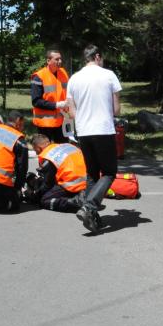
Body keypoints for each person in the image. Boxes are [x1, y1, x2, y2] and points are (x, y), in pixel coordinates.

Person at [66, 45, 122, 233]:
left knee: (92, 174)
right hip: (103, 129)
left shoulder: (74, 78)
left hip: (83, 131)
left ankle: (91, 215)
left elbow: (72, 112)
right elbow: (116, 110)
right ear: (97, 56)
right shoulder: (109, 75)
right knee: (109, 173)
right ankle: (89, 206)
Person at [28, 134, 86, 213]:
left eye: (35, 150)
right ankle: (79, 195)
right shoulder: (66, 145)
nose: (37, 153)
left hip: (72, 184)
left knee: (44, 200)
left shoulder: (48, 157)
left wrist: (35, 196)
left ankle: (74, 203)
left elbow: (48, 184)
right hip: (87, 182)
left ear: (39, 148)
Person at [31, 50, 69, 143]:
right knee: (45, 150)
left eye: (60, 59)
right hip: (45, 123)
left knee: (64, 150)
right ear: (48, 61)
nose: (60, 61)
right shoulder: (39, 76)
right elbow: (36, 101)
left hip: (64, 121)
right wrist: (57, 105)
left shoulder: (63, 73)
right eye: (56, 59)